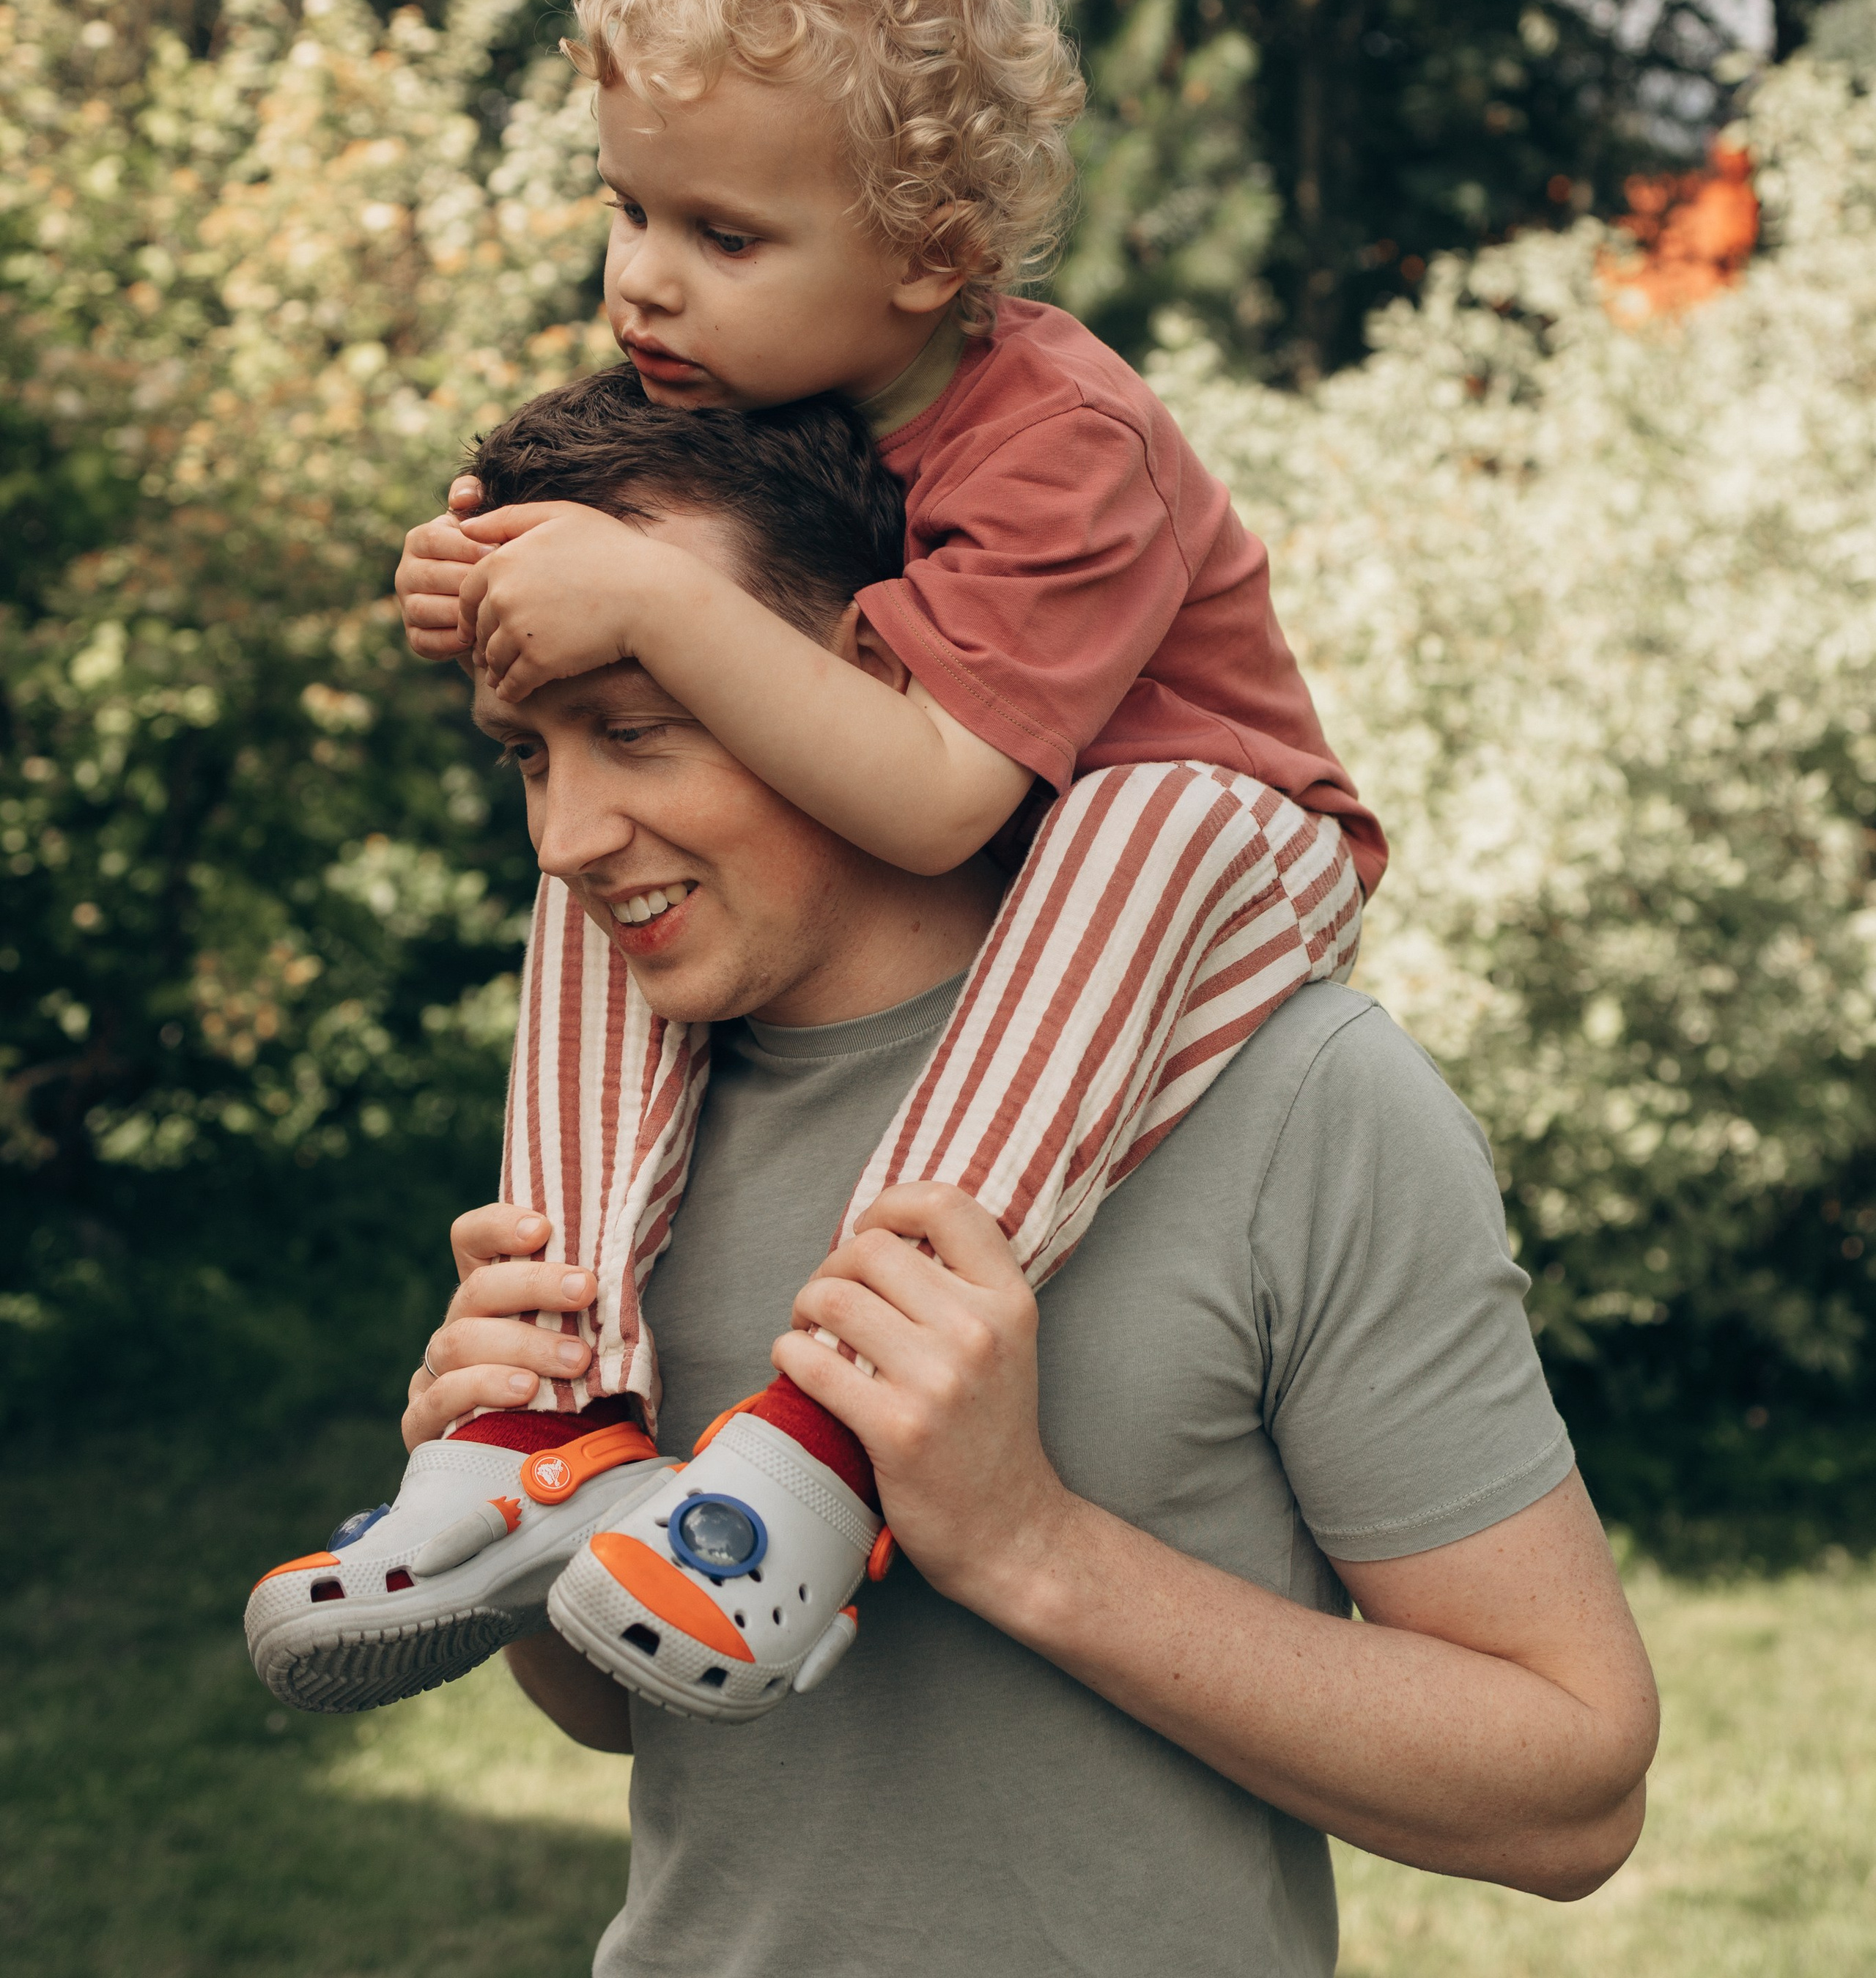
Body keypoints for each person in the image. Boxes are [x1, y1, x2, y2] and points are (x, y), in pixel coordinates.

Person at [396, 401, 1655, 1978]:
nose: (567, 836)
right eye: (529, 753)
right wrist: (523, 1520)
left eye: (640, 729)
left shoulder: (1298, 1097)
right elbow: (617, 1711)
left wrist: (1022, 1542)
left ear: (860, 677)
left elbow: (1569, 1787)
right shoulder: (617, 1113)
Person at [358, 0, 1386, 1716]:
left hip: (1212, 854)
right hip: (1021, 867)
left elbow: (931, 804)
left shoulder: (1066, 436)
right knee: (601, 835)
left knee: (1149, 813)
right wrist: (487, 579)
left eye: (722, 237)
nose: (644, 285)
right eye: (629, 210)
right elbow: (677, 640)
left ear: (928, 261)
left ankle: (828, 1433)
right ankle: (554, 1406)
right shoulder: (767, 398)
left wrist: (655, 597)